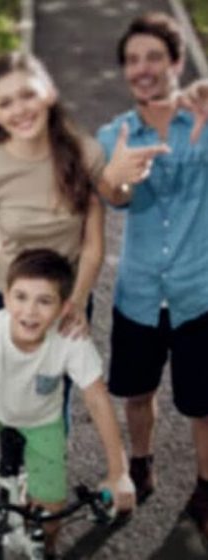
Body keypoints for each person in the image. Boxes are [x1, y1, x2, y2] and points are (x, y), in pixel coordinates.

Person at [0, 249, 135, 557]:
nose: (29, 312)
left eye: (44, 301)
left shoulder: (71, 340)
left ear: (63, 308)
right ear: (5, 298)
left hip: (41, 420)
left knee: (49, 523)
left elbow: (98, 402)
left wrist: (119, 472)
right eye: (20, 297)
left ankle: (43, 546)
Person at [95, 11, 208, 536]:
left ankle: (205, 489)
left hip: (199, 292)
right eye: (133, 60)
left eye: (154, 58)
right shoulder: (113, 133)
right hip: (138, 293)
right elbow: (114, 196)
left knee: (202, 406)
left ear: (177, 63)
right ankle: (141, 466)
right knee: (137, 394)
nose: (142, 69)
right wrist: (115, 181)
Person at [0, 51, 106, 337]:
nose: (19, 110)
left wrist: (77, 303)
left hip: (67, 302)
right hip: (9, 304)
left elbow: (92, 246)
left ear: (49, 94)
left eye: (27, 95)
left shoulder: (87, 155)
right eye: (5, 103)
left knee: (56, 383)